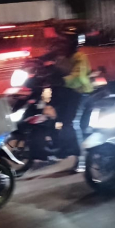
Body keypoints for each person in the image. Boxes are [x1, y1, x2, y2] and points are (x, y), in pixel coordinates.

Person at [49, 30, 93, 170]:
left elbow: (78, 78)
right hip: (69, 94)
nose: (62, 45)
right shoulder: (64, 57)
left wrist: (62, 81)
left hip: (81, 93)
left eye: (65, 42)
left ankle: (82, 158)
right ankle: (64, 148)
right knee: (61, 120)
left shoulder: (80, 57)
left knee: (74, 123)